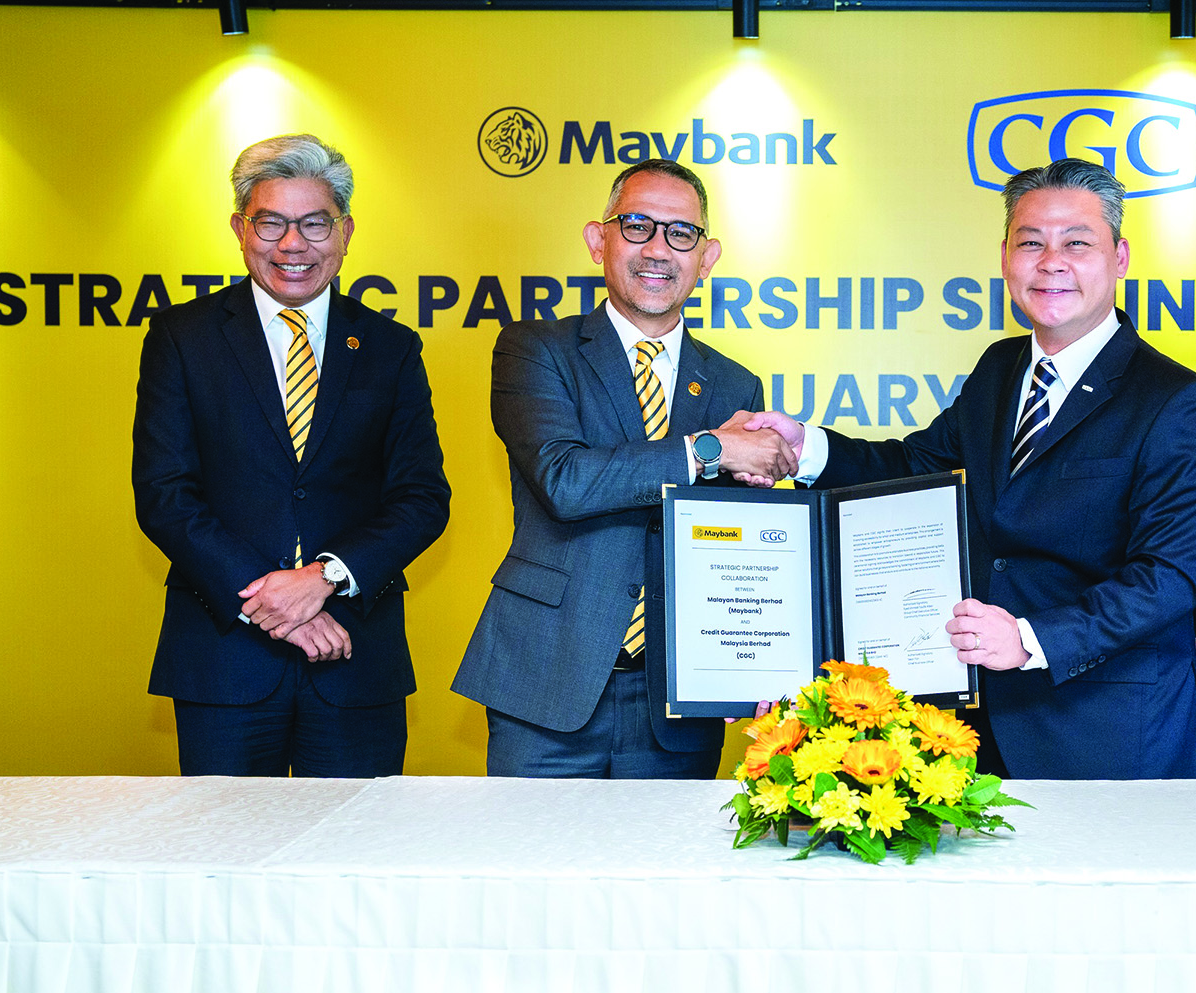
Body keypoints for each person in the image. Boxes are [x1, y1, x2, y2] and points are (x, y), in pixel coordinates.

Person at [747, 158, 1196, 780]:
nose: (1051, 262)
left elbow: (1167, 578)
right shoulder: (999, 369)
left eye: (1076, 243)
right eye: (1031, 243)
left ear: (1121, 257)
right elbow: (914, 466)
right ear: (1005, 258)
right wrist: (804, 447)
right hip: (972, 726)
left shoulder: (1176, 401)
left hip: (1104, 730)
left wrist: (1029, 639)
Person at [452, 159, 796, 779]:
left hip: (679, 694)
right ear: (598, 240)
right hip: (546, 680)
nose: (658, 249)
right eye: (637, 226)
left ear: (707, 257)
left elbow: (735, 549)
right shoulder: (535, 348)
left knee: (670, 849)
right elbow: (565, 480)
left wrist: (745, 663)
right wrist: (710, 452)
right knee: (530, 846)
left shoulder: (733, 384)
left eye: (681, 233)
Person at [133, 133, 450, 776]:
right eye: (271, 222)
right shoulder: (182, 337)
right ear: (239, 229)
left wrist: (323, 579)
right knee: (225, 841)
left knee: (357, 842)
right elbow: (166, 495)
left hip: (354, 657)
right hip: (224, 661)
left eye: (314, 223)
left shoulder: (391, 348)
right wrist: (278, 607)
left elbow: (421, 499)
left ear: (346, 231)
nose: (292, 244)